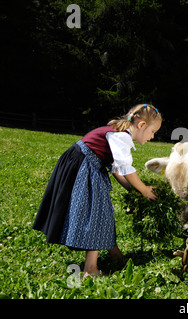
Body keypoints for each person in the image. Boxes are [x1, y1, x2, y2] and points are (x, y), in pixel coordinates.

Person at [33, 103, 162, 277]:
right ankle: (90, 269)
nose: (153, 136)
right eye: (153, 131)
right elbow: (126, 168)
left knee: (103, 213)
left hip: (85, 165)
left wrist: (134, 190)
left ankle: (114, 253)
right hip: (84, 167)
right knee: (96, 215)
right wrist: (144, 190)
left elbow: (116, 170)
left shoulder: (118, 134)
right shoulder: (121, 137)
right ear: (141, 125)